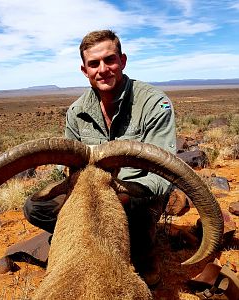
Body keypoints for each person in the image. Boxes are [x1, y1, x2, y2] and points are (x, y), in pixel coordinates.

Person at [24, 29, 176, 287]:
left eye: (110, 60)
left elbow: (164, 172)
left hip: (137, 194)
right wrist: (80, 200)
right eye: (94, 63)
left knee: (138, 232)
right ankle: (81, 241)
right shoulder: (76, 112)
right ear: (85, 70)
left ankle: (142, 249)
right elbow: (71, 169)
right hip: (92, 192)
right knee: (35, 207)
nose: (103, 69)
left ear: (123, 61)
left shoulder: (154, 103)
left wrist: (123, 193)